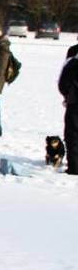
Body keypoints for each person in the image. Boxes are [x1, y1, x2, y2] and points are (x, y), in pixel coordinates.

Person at [59, 44, 78, 174]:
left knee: (73, 134)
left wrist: (67, 95)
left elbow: (64, 82)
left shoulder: (74, 60)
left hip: (75, 102)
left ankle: (75, 167)